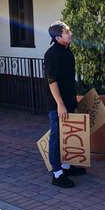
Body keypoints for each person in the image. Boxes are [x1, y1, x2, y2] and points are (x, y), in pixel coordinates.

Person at [44, 21, 86, 188]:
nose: (71, 34)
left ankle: (66, 166)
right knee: (56, 136)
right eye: (67, 32)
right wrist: (60, 104)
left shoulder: (68, 52)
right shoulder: (52, 54)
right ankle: (57, 173)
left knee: (67, 134)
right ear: (58, 37)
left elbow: (68, 78)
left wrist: (73, 98)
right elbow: (51, 81)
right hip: (57, 103)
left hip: (69, 99)